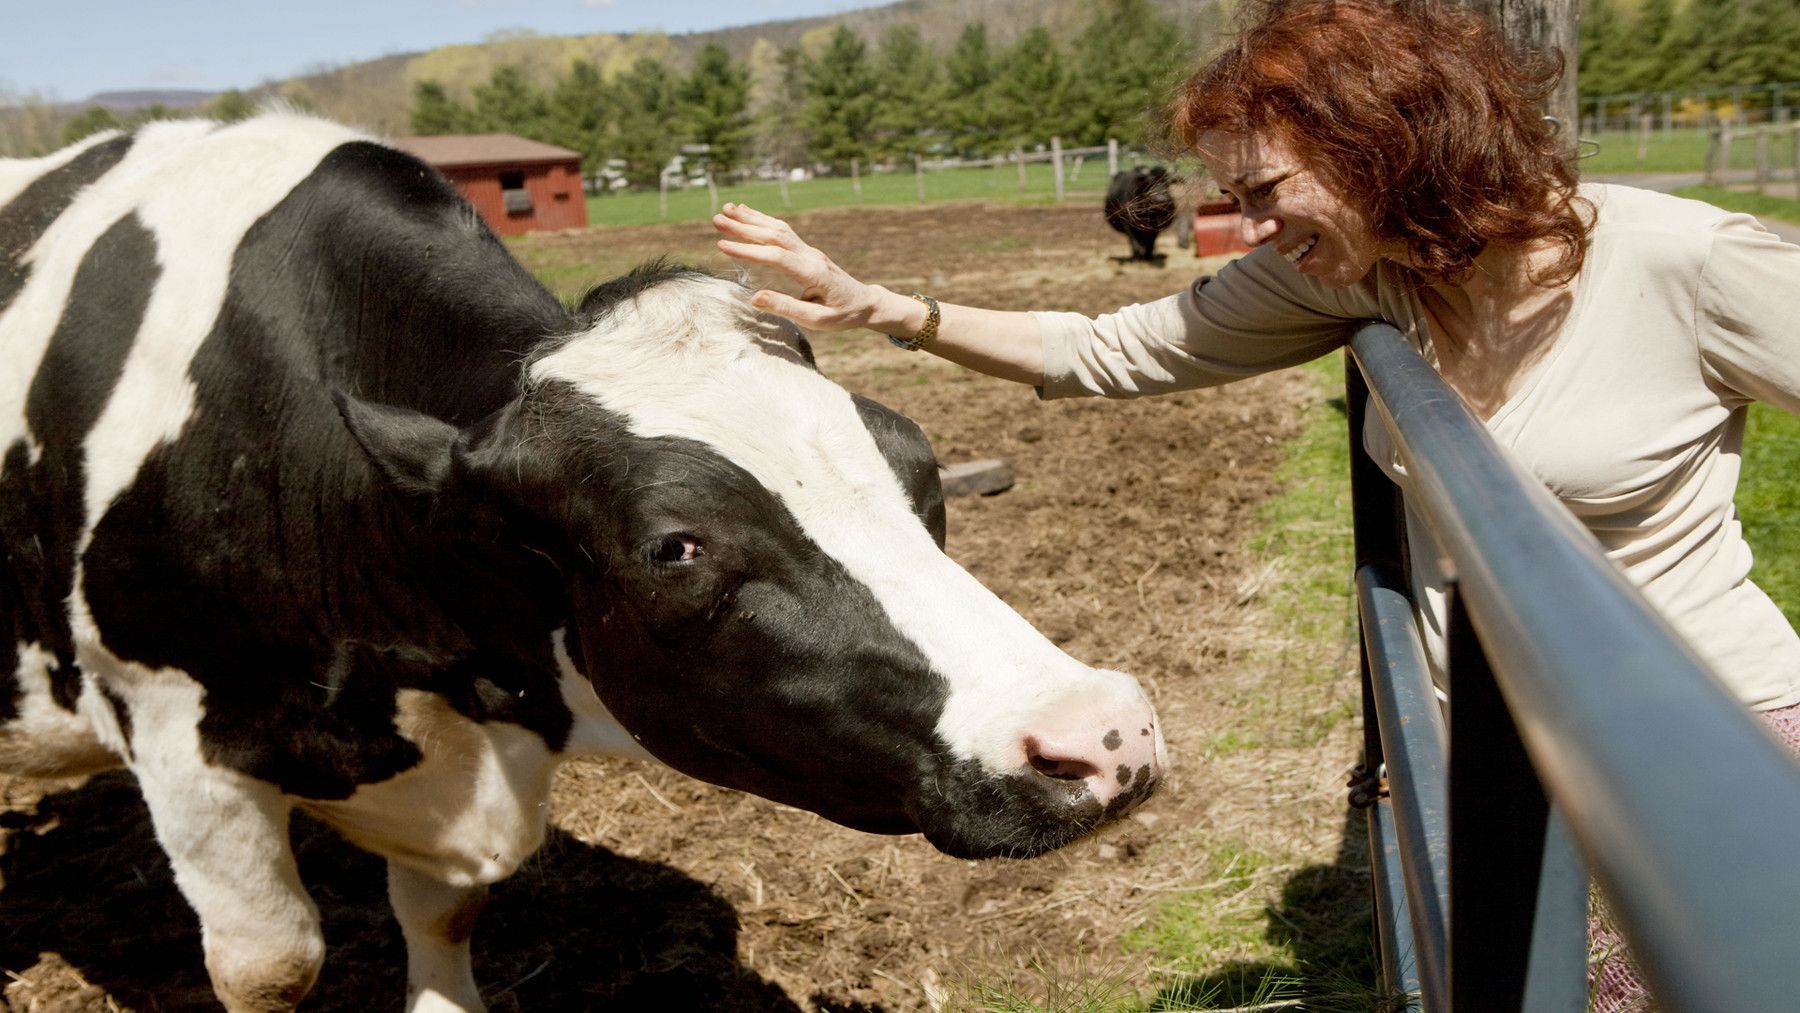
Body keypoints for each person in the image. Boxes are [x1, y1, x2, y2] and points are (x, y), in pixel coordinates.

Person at [713, 0, 1800, 1006]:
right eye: (1236, 202)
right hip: (1507, 772)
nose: (1251, 226)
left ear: (1388, 144)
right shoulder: (1358, 272)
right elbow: (1105, 349)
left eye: (1267, 192)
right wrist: (889, 306)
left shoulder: (1683, 262)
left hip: (1701, 747)